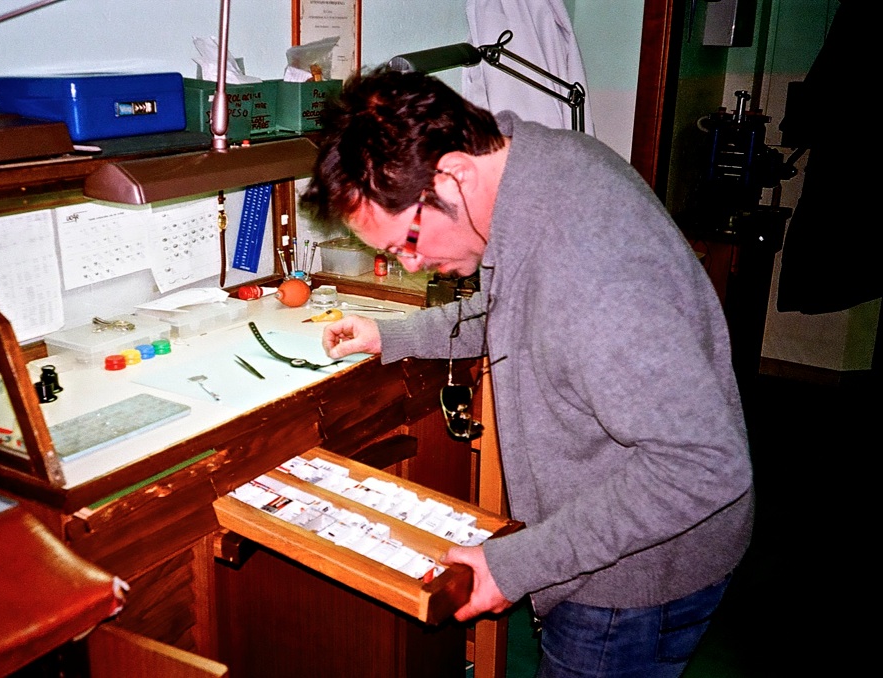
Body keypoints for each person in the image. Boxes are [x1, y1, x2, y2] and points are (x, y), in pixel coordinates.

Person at [300, 66, 754, 678]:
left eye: (407, 242)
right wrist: (395, 334)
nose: (410, 265)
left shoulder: (593, 273)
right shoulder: (540, 170)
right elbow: (517, 307)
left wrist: (519, 563)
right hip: (615, 541)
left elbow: (705, 465)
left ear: (453, 175)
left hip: (636, 576)